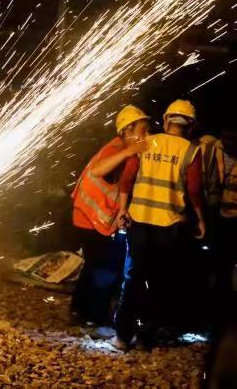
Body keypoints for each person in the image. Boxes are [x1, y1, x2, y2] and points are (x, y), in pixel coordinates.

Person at [113, 99, 205, 350]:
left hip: (139, 220)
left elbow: (127, 179)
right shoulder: (191, 150)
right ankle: (145, 338)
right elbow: (194, 190)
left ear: (166, 120)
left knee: (133, 278)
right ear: (191, 125)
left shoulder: (147, 142)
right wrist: (200, 218)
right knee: (157, 281)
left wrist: (122, 209)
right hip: (169, 225)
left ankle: (122, 337)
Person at [69, 105, 149, 337]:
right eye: (142, 130)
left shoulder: (121, 149)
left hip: (91, 216)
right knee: (103, 268)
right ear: (126, 131)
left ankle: (78, 311)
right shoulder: (116, 149)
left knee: (93, 265)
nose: (146, 135)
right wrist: (129, 151)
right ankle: (94, 319)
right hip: (92, 217)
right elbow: (97, 170)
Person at [213, 128, 237, 296]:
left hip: (225, 213)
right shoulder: (217, 150)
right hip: (224, 213)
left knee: (224, 259)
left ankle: (222, 291)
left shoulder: (218, 150)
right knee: (225, 259)